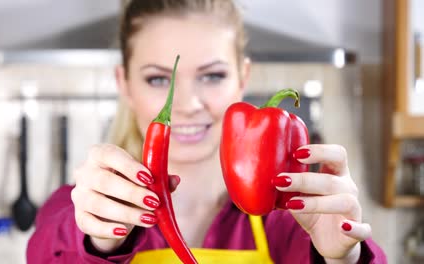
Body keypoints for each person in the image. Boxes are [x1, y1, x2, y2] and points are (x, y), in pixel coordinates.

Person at [27, 0, 386, 263]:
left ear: (243, 78)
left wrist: (343, 259)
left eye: (212, 75)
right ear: (124, 84)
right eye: (157, 78)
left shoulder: (289, 216)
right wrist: (99, 242)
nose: (187, 103)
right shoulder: (76, 211)